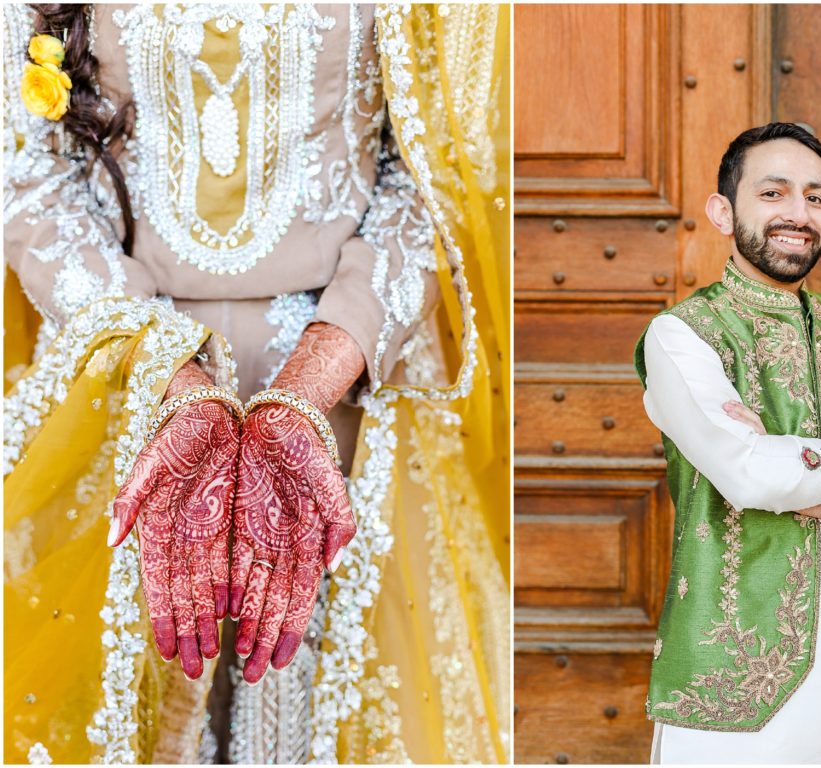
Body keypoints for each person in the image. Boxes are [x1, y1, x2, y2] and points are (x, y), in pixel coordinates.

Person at [4, 4, 509, 764]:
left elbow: (435, 171)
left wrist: (310, 388)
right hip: (118, 372)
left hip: (354, 380)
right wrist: (168, 380)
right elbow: (28, 176)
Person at [635, 123, 821, 764]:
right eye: (773, 193)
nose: (797, 214)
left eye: (814, 196)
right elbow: (749, 473)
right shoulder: (683, 336)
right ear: (724, 211)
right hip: (735, 673)